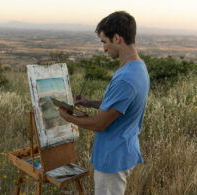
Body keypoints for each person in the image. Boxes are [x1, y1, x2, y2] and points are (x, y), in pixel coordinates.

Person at [58, 11, 150, 195]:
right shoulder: (138, 68)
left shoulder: (126, 78)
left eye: (104, 42)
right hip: (123, 149)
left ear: (117, 38)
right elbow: (119, 106)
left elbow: (99, 124)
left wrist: (68, 118)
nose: (103, 48)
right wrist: (89, 103)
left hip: (113, 157)